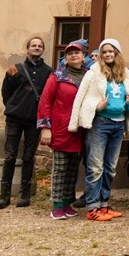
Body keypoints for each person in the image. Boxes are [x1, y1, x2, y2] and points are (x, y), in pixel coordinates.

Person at [70, 38, 129, 221]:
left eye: (111, 51)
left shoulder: (125, 73)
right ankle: (92, 207)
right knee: (96, 166)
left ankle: (104, 204)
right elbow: (82, 98)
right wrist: (97, 107)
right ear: (100, 55)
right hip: (100, 124)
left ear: (117, 54)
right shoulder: (93, 73)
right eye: (105, 52)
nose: (108, 54)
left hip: (118, 125)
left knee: (110, 168)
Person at [0, 37, 53, 210]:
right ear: (27, 49)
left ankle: (24, 194)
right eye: (33, 45)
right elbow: (6, 93)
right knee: (10, 156)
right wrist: (15, 106)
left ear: (43, 50)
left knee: (28, 157)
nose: (36, 48)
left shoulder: (48, 72)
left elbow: (48, 97)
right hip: (14, 119)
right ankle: (4, 196)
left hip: (34, 120)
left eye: (40, 46)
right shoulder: (15, 69)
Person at [37, 41, 87, 219]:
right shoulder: (57, 77)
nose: (74, 55)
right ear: (65, 58)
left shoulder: (87, 76)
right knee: (60, 168)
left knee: (73, 168)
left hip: (79, 130)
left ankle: (67, 202)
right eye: (70, 53)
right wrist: (45, 128)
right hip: (59, 128)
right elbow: (45, 102)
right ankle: (57, 205)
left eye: (77, 53)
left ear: (83, 57)